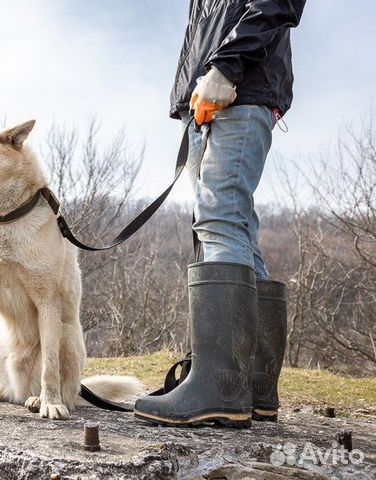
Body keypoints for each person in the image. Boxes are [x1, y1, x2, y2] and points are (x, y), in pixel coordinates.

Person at [134, 0, 306, 427]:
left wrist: (227, 68)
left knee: (221, 219)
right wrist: (189, 94)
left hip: (237, 89)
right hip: (205, 98)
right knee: (236, 226)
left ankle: (221, 388)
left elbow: (274, 4)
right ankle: (253, 387)